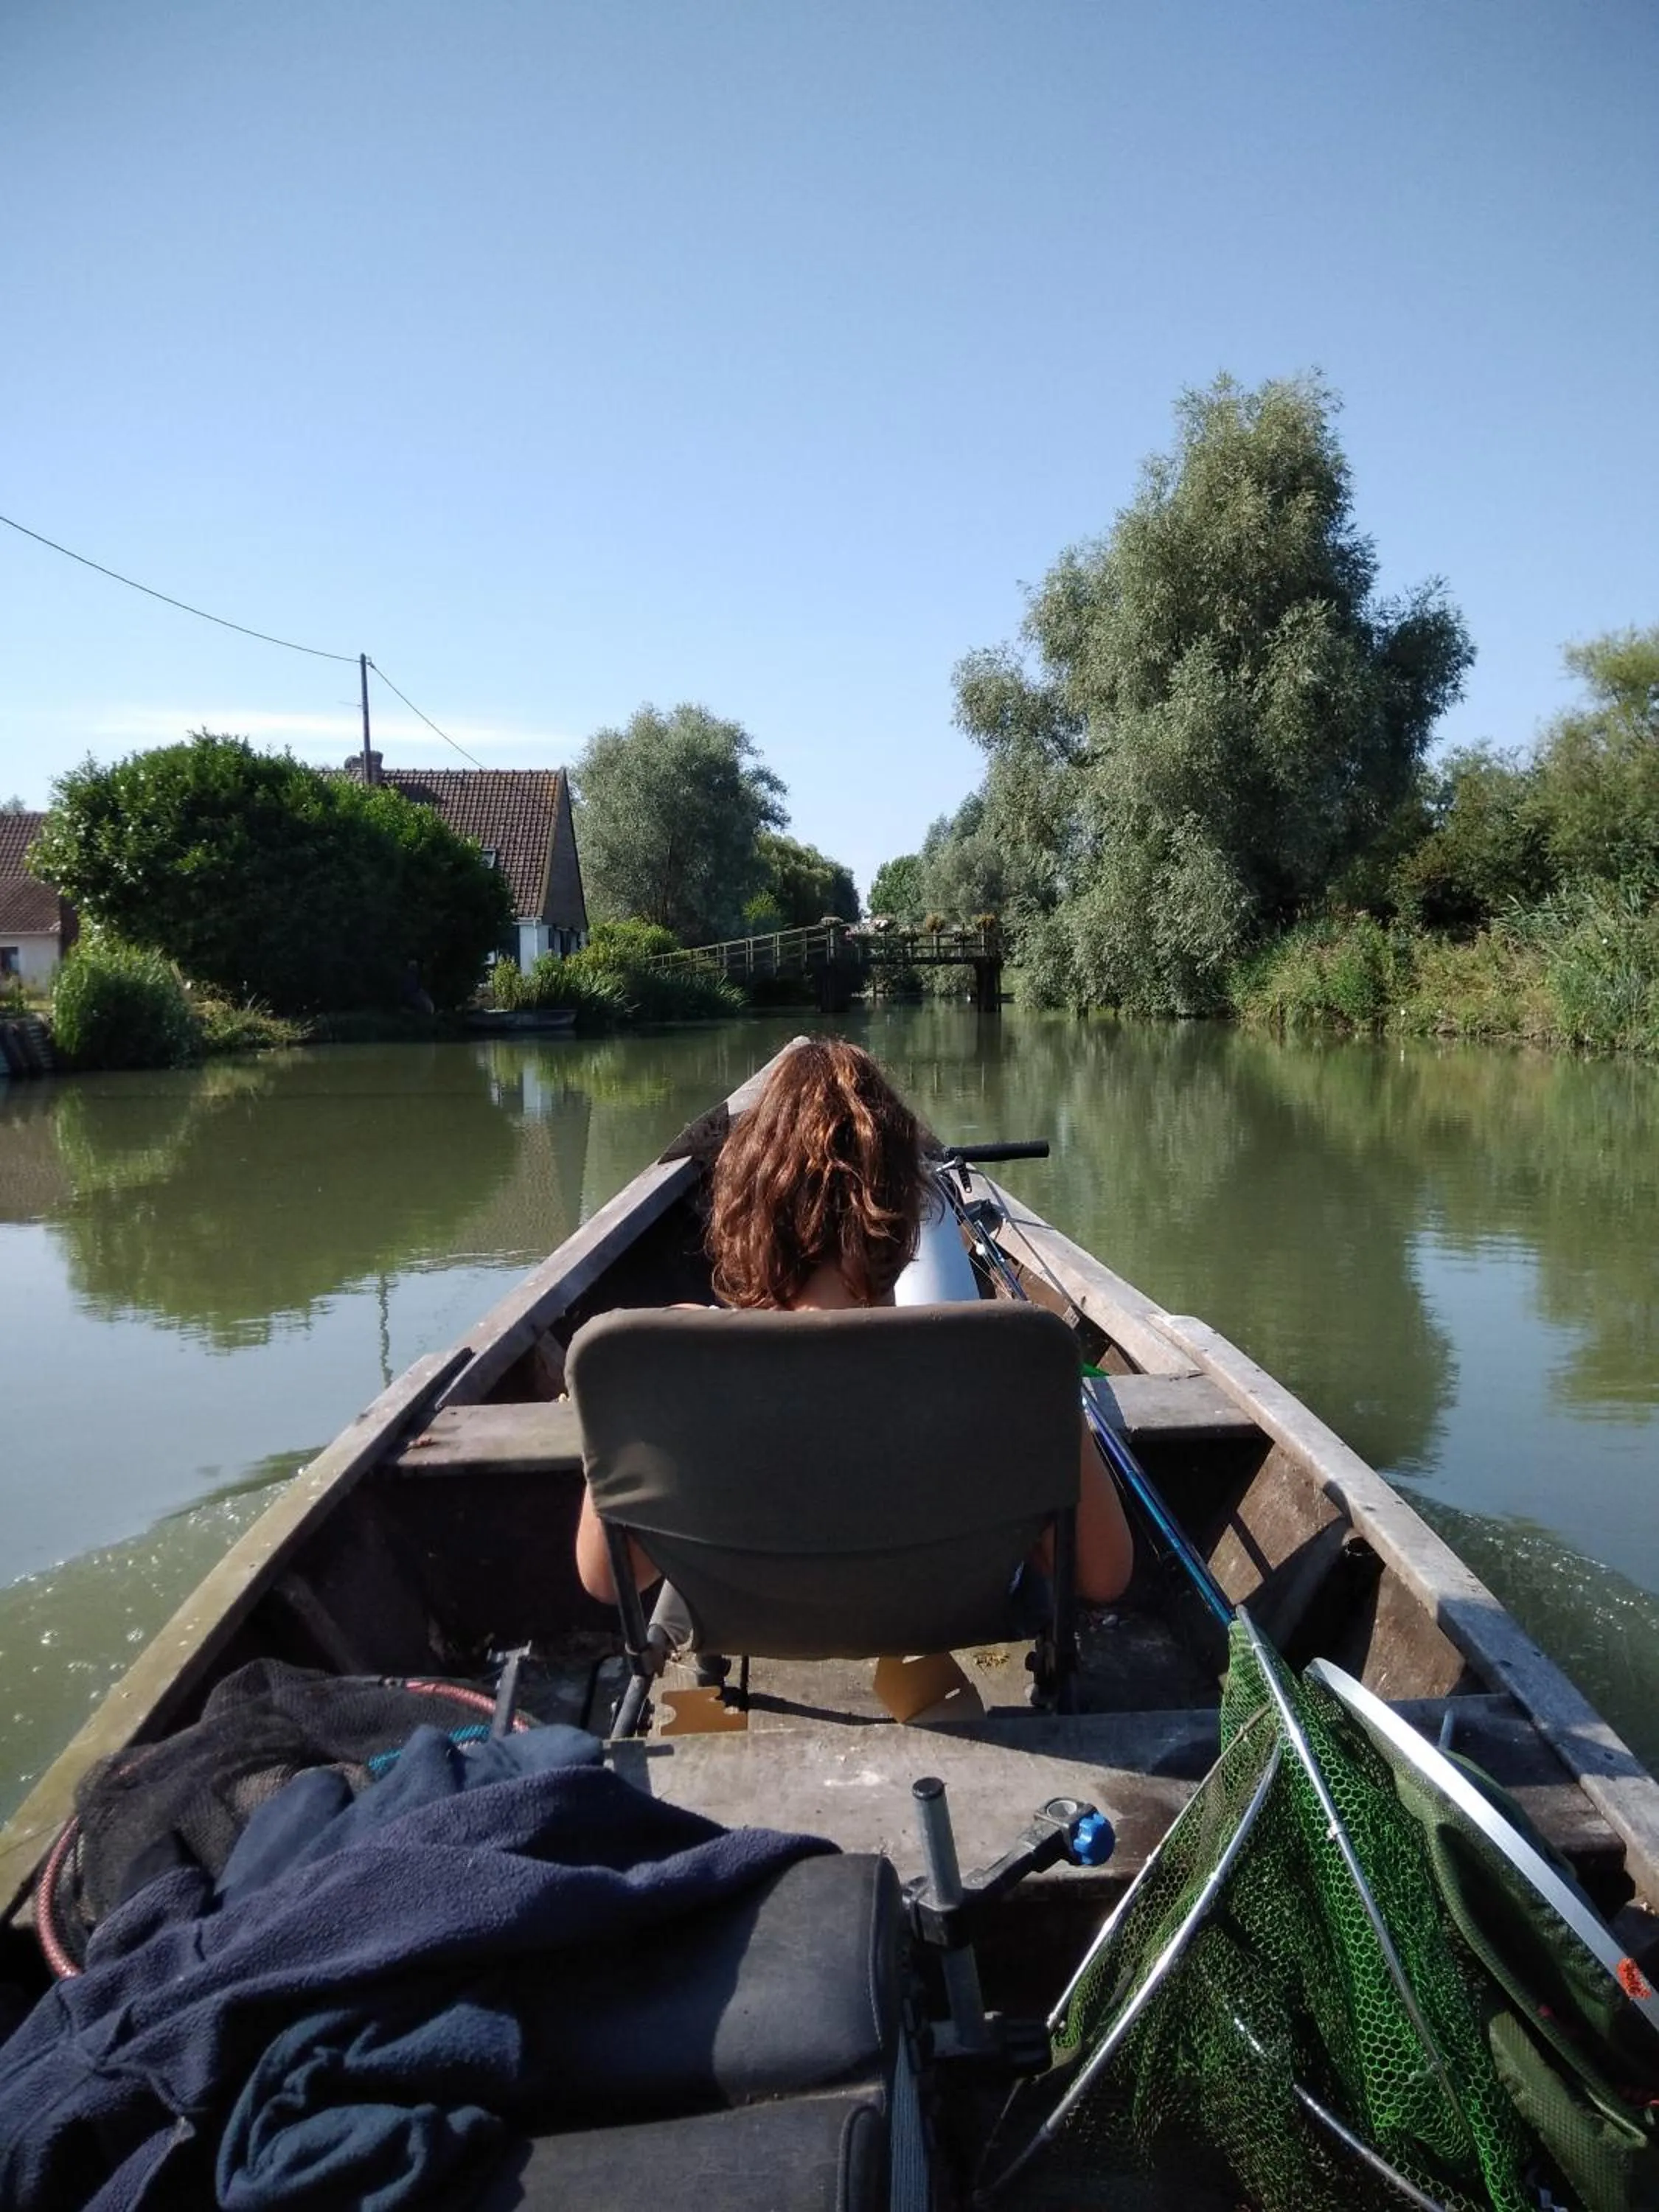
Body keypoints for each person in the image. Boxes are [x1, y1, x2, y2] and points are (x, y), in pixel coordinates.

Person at [574, 1037, 1133, 1606]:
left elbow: (606, 1577)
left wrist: (627, 1416)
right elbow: (1102, 1575)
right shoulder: (1010, 1352)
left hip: (756, 1618)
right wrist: (1052, 1396)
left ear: (744, 1205)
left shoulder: (669, 1352)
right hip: (943, 1614)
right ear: (910, 1211)